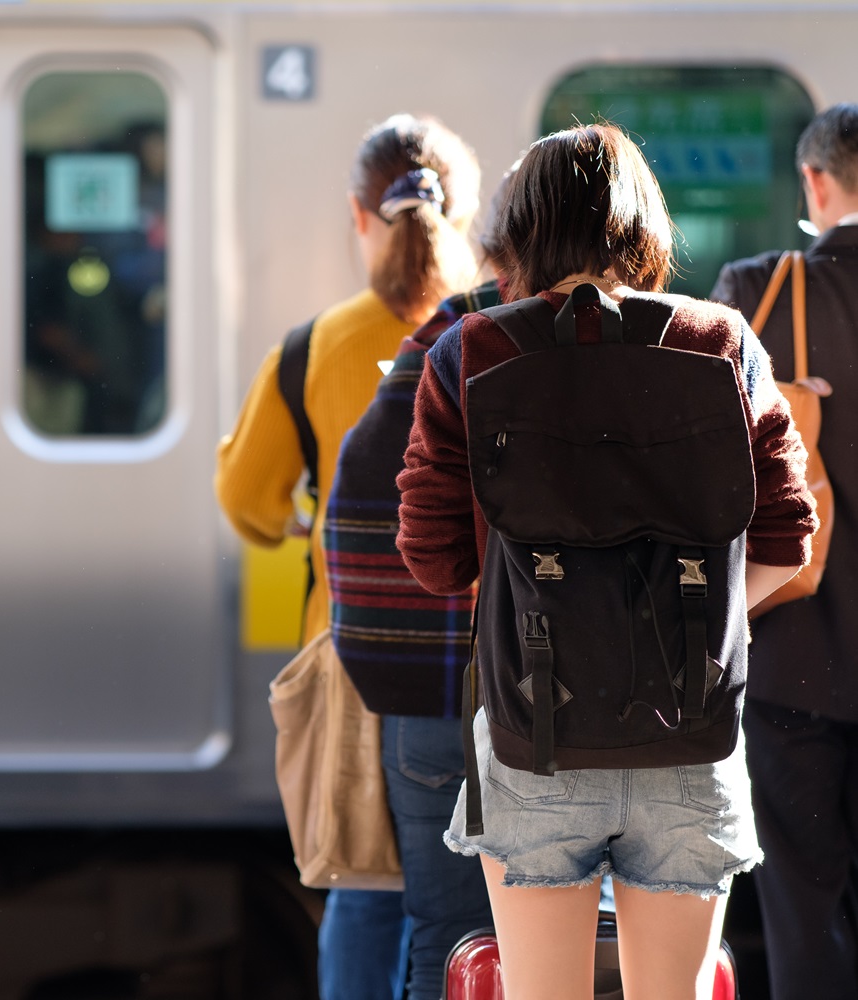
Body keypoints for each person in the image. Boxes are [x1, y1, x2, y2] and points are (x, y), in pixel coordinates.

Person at [396, 123, 816, 1000]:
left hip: (532, 735)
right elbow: (788, 538)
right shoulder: (722, 342)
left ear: (525, 230)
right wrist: (697, 622)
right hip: (690, 733)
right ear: (647, 227)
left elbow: (435, 562)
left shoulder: (471, 351)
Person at [216, 113, 480, 1000]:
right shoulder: (499, 330)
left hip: (356, 658)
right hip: (489, 662)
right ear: (470, 214)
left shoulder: (314, 349)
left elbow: (246, 501)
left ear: (358, 218)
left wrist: (307, 519)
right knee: (477, 905)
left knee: (366, 893)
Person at [322, 169, 515, 1000]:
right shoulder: (664, 340)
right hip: (612, 705)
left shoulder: (448, 337)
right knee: (599, 935)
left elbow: (359, 515)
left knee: (446, 933)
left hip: (439, 702)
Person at [709, 102, 858, 1000]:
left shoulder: (761, 292)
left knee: (802, 903)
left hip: (792, 657)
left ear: (815, 181)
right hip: (795, 668)